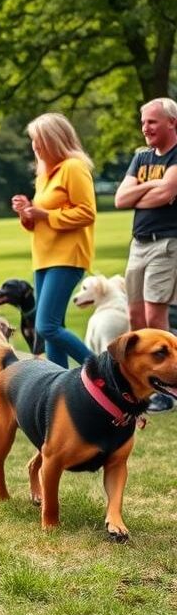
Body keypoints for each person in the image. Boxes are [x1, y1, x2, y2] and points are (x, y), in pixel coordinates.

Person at [11, 112, 95, 370]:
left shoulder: (73, 167)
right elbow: (39, 221)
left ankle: (104, 371)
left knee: (46, 325)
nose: (34, 146)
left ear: (54, 140)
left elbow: (86, 213)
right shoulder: (44, 175)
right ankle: (58, 384)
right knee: (52, 328)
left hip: (67, 257)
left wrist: (45, 214)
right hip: (44, 258)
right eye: (33, 140)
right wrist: (26, 212)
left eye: (39, 140)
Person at [114, 96, 177, 412]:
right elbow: (120, 199)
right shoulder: (141, 157)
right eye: (143, 122)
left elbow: (167, 192)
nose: (145, 128)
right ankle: (137, 384)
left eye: (152, 121)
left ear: (172, 122)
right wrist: (150, 187)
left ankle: (167, 389)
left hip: (166, 244)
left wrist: (144, 190)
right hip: (138, 244)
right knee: (135, 320)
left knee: (155, 318)